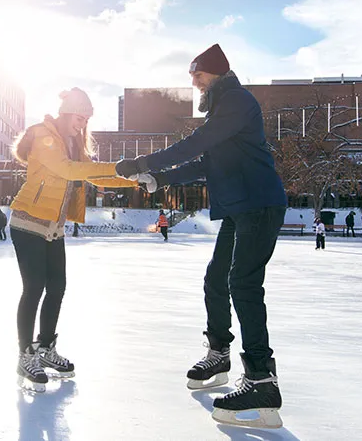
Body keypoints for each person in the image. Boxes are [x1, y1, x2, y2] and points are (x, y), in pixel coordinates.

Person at [115, 44, 287, 429]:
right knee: (216, 279)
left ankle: (262, 380)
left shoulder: (237, 101)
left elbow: (198, 143)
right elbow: (205, 163)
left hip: (259, 204)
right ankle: (219, 353)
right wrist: (159, 177)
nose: (193, 81)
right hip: (240, 209)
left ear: (218, 74)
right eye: (191, 74)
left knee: (242, 283)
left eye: (198, 74)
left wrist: (144, 162)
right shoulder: (225, 109)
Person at [9, 87, 137, 392]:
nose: (82, 124)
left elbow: (91, 174)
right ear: (68, 112)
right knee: (35, 287)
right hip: (27, 221)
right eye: (80, 117)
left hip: (53, 226)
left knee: (57, 287)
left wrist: (131, 176)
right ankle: (25, 355)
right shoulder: (43, 135)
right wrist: (117, 167)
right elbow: (68, 171)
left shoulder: (73, 142)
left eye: (87, 119)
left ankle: (46, 348)